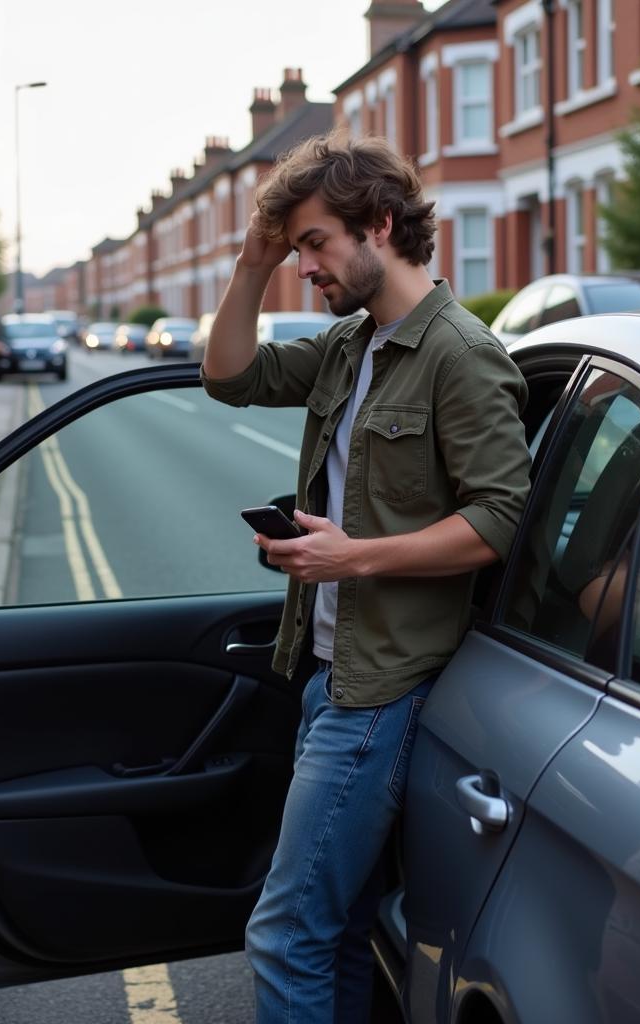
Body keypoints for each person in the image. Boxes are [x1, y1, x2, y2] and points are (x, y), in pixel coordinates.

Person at [201, 130, 532, 1024]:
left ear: (378, 225)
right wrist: (251, 261)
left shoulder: (461, 356)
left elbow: (499, 519)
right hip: (326, 673)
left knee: (285, 932)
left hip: (380, 692)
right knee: (338, 930)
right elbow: (227, 378)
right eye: (298, 247)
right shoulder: (354, 345)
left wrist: (355, 557)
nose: (304, 265)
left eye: (313, 243)